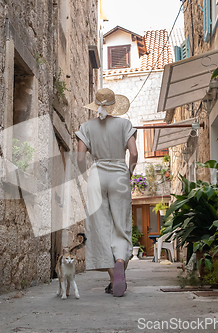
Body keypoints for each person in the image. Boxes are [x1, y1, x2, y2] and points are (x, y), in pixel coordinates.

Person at [75, 88, 138, 297]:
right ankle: (120, 261)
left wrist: (86, 176)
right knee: (121, 225)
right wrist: (129, 171)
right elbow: (134, 153)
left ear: (96, 105)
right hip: (119, 174)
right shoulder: (124, 124)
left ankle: (113, 277)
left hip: (97, 175)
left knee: (100, 227)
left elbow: (81, 158)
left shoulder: (86, 127)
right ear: (114, 105)